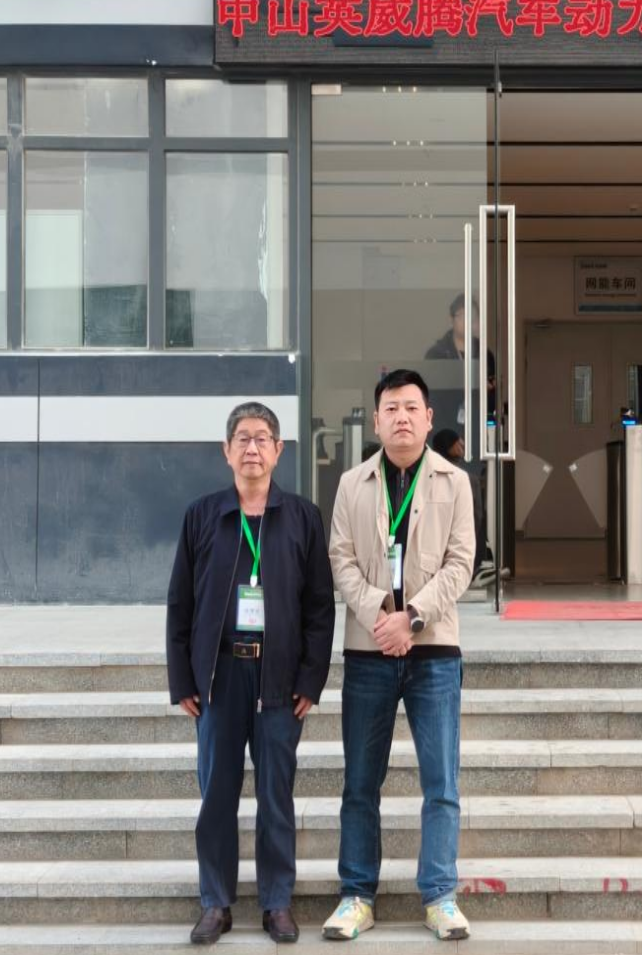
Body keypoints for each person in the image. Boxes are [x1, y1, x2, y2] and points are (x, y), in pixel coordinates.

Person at [166, 402, 336, 945]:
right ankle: (215, 902)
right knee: (216, 794)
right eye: (242, 438)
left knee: (276, 796)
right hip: (218, 680)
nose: (252, 448)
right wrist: (183, 680)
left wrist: (310, 680)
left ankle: (277, 902)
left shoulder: (303, 517)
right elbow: (180, 604)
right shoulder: (203, 515)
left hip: (279, 681)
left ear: (279, 450)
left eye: (263, 438)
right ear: (226, 450)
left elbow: (320, 607)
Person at [323, 369, 476, 942]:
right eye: (391, 408)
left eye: (412, 407)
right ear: (377, 419)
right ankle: (356, 896)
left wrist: (410, 618)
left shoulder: (455, 483)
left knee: (441, 783)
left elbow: (462, 563)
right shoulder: (351, 484)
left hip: (433, 650)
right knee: (361, 783)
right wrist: (379, 618)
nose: (402, 417)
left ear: (429, 418)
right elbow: (340, 561)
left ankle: (439, 896)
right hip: (369, 651)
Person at [431, 428, 493, 588]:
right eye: (457, 442)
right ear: (448, 446)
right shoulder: (467, 478)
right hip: (460, 546)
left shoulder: (427, 475)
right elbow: (476, 517)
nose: (463, 444)